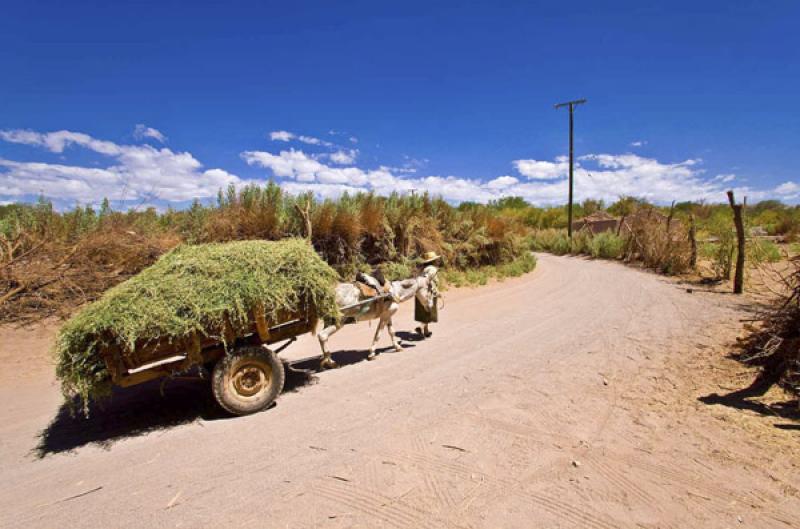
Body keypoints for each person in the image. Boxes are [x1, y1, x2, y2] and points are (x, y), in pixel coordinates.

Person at [414, 251, 441, 338]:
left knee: (423, 311)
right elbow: (428, 281)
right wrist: (436, 291)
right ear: (433, 261)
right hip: (428, 293)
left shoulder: (421, 269)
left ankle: (426, 331)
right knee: (429, 311)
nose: (438, 261)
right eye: (436, 260)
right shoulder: (432, 269)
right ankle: (421, 327)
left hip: (419, 293)